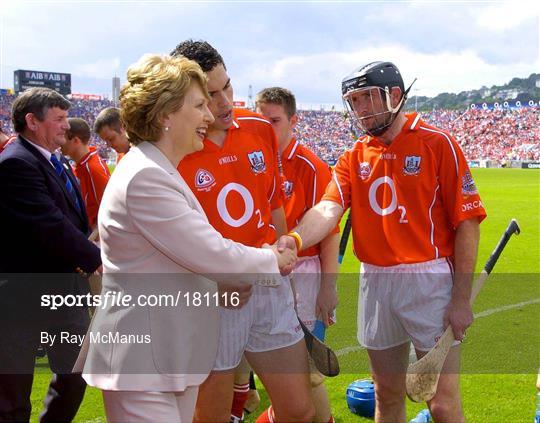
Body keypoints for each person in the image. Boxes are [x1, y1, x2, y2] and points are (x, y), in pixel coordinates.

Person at [76, 53, 296, 423]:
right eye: (199, 105)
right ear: (166, 114)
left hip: (164, 358)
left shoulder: (156, 168)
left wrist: (216, 289)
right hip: (143, 361)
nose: (209, 115)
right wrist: (273, 259)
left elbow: (169, 266)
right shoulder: (146, 176)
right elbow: (208, 251)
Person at [278, 61, 487, 423]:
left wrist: (461, 297)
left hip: (429, 281)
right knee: (386, 395)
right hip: (375, 279)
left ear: (393, 95)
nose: (359, 110)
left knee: (441, 402)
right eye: (353, 101)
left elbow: (468, 223)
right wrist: (295, 239)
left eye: (365, 99)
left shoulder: (438, 144)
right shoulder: (355, 154)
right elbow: (328, 208)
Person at [171, 40, 314, 423]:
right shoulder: (173, 150)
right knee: (211, 417)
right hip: (211, 298)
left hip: (267, 282)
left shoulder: (258, 129)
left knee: (299, 411)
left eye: (228, 87)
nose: (224, 103)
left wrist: (285, 260)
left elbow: (273, 206)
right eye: (210, 94)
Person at [0, 87, 102, 421]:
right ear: (32, 121)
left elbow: (71, 220)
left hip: (63, 295)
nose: (66, 126)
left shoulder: (53, 161)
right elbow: (50, 223)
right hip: (22, 300)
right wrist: (96, 259)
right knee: (13, 397)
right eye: (58, 119)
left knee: (75, 376)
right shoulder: (16, 163)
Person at [256, 86, 339, 423]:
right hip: (265, 268)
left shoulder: (311, 165)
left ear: (293, 120)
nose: (267, 127)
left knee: (306, 369)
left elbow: (330, 233)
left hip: (304, 273)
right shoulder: (256, 160)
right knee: (279, 365)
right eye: (261, 120)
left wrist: (328, 288)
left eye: (274, 120)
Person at [61, 117, 111, 229]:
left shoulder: (93, 168)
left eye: (63, 137)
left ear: (75, 141)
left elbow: (110, 208)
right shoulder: (82, 165)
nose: (60, 141)